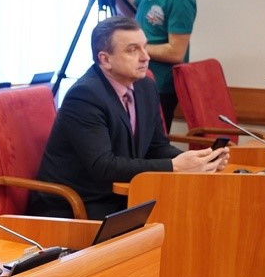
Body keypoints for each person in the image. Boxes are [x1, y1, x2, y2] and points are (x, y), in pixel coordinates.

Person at [29, 16, 226, 220]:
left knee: (199, 213)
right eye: (133, 50)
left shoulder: (146, 86)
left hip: (123, 197)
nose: (145, 57)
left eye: (144, 47)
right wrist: (174, 166)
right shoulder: (85, 96)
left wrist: (199, 161)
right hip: (77, 206)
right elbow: (103, 166)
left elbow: (156, 147)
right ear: (105, 60)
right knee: (178, 220)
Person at [133, 0, 196, 130]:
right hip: (139, 77)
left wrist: (134, 48)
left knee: (151, 142)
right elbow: (133, 11)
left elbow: (176, 53)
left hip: (160, 86)